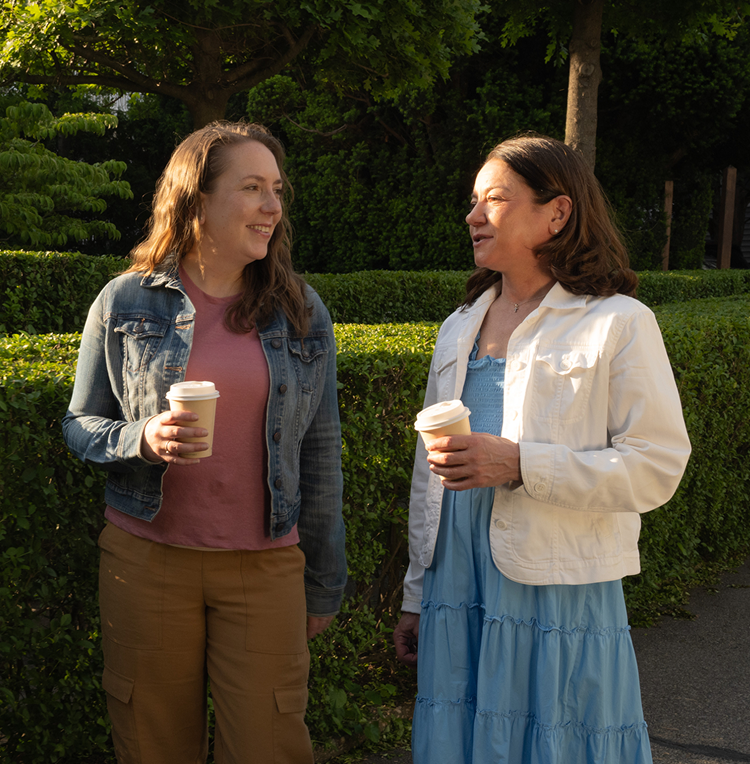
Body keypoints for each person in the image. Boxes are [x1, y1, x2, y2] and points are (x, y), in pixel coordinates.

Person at [393, 133, 691, 764]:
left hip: (556, 585)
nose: (473, 216)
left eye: (494, 200)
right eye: (473, 201)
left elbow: (656, 466)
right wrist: (418, 593)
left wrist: (523, 464)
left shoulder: (618, 321)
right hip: (457, 580)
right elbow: (430, 474)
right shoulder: (458, 326)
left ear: (557, 213)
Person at [62, 121, 346, 764]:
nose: (273, 206)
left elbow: (320, 453)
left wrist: (324, 581)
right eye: (252, 187)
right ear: (196, 200)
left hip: (265, 565)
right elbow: (80, 424)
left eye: (276, 189)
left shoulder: (301, 310)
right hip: (146, 558)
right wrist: (141, 437)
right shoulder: (125, 301)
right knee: (152, 743)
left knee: (270, 745)